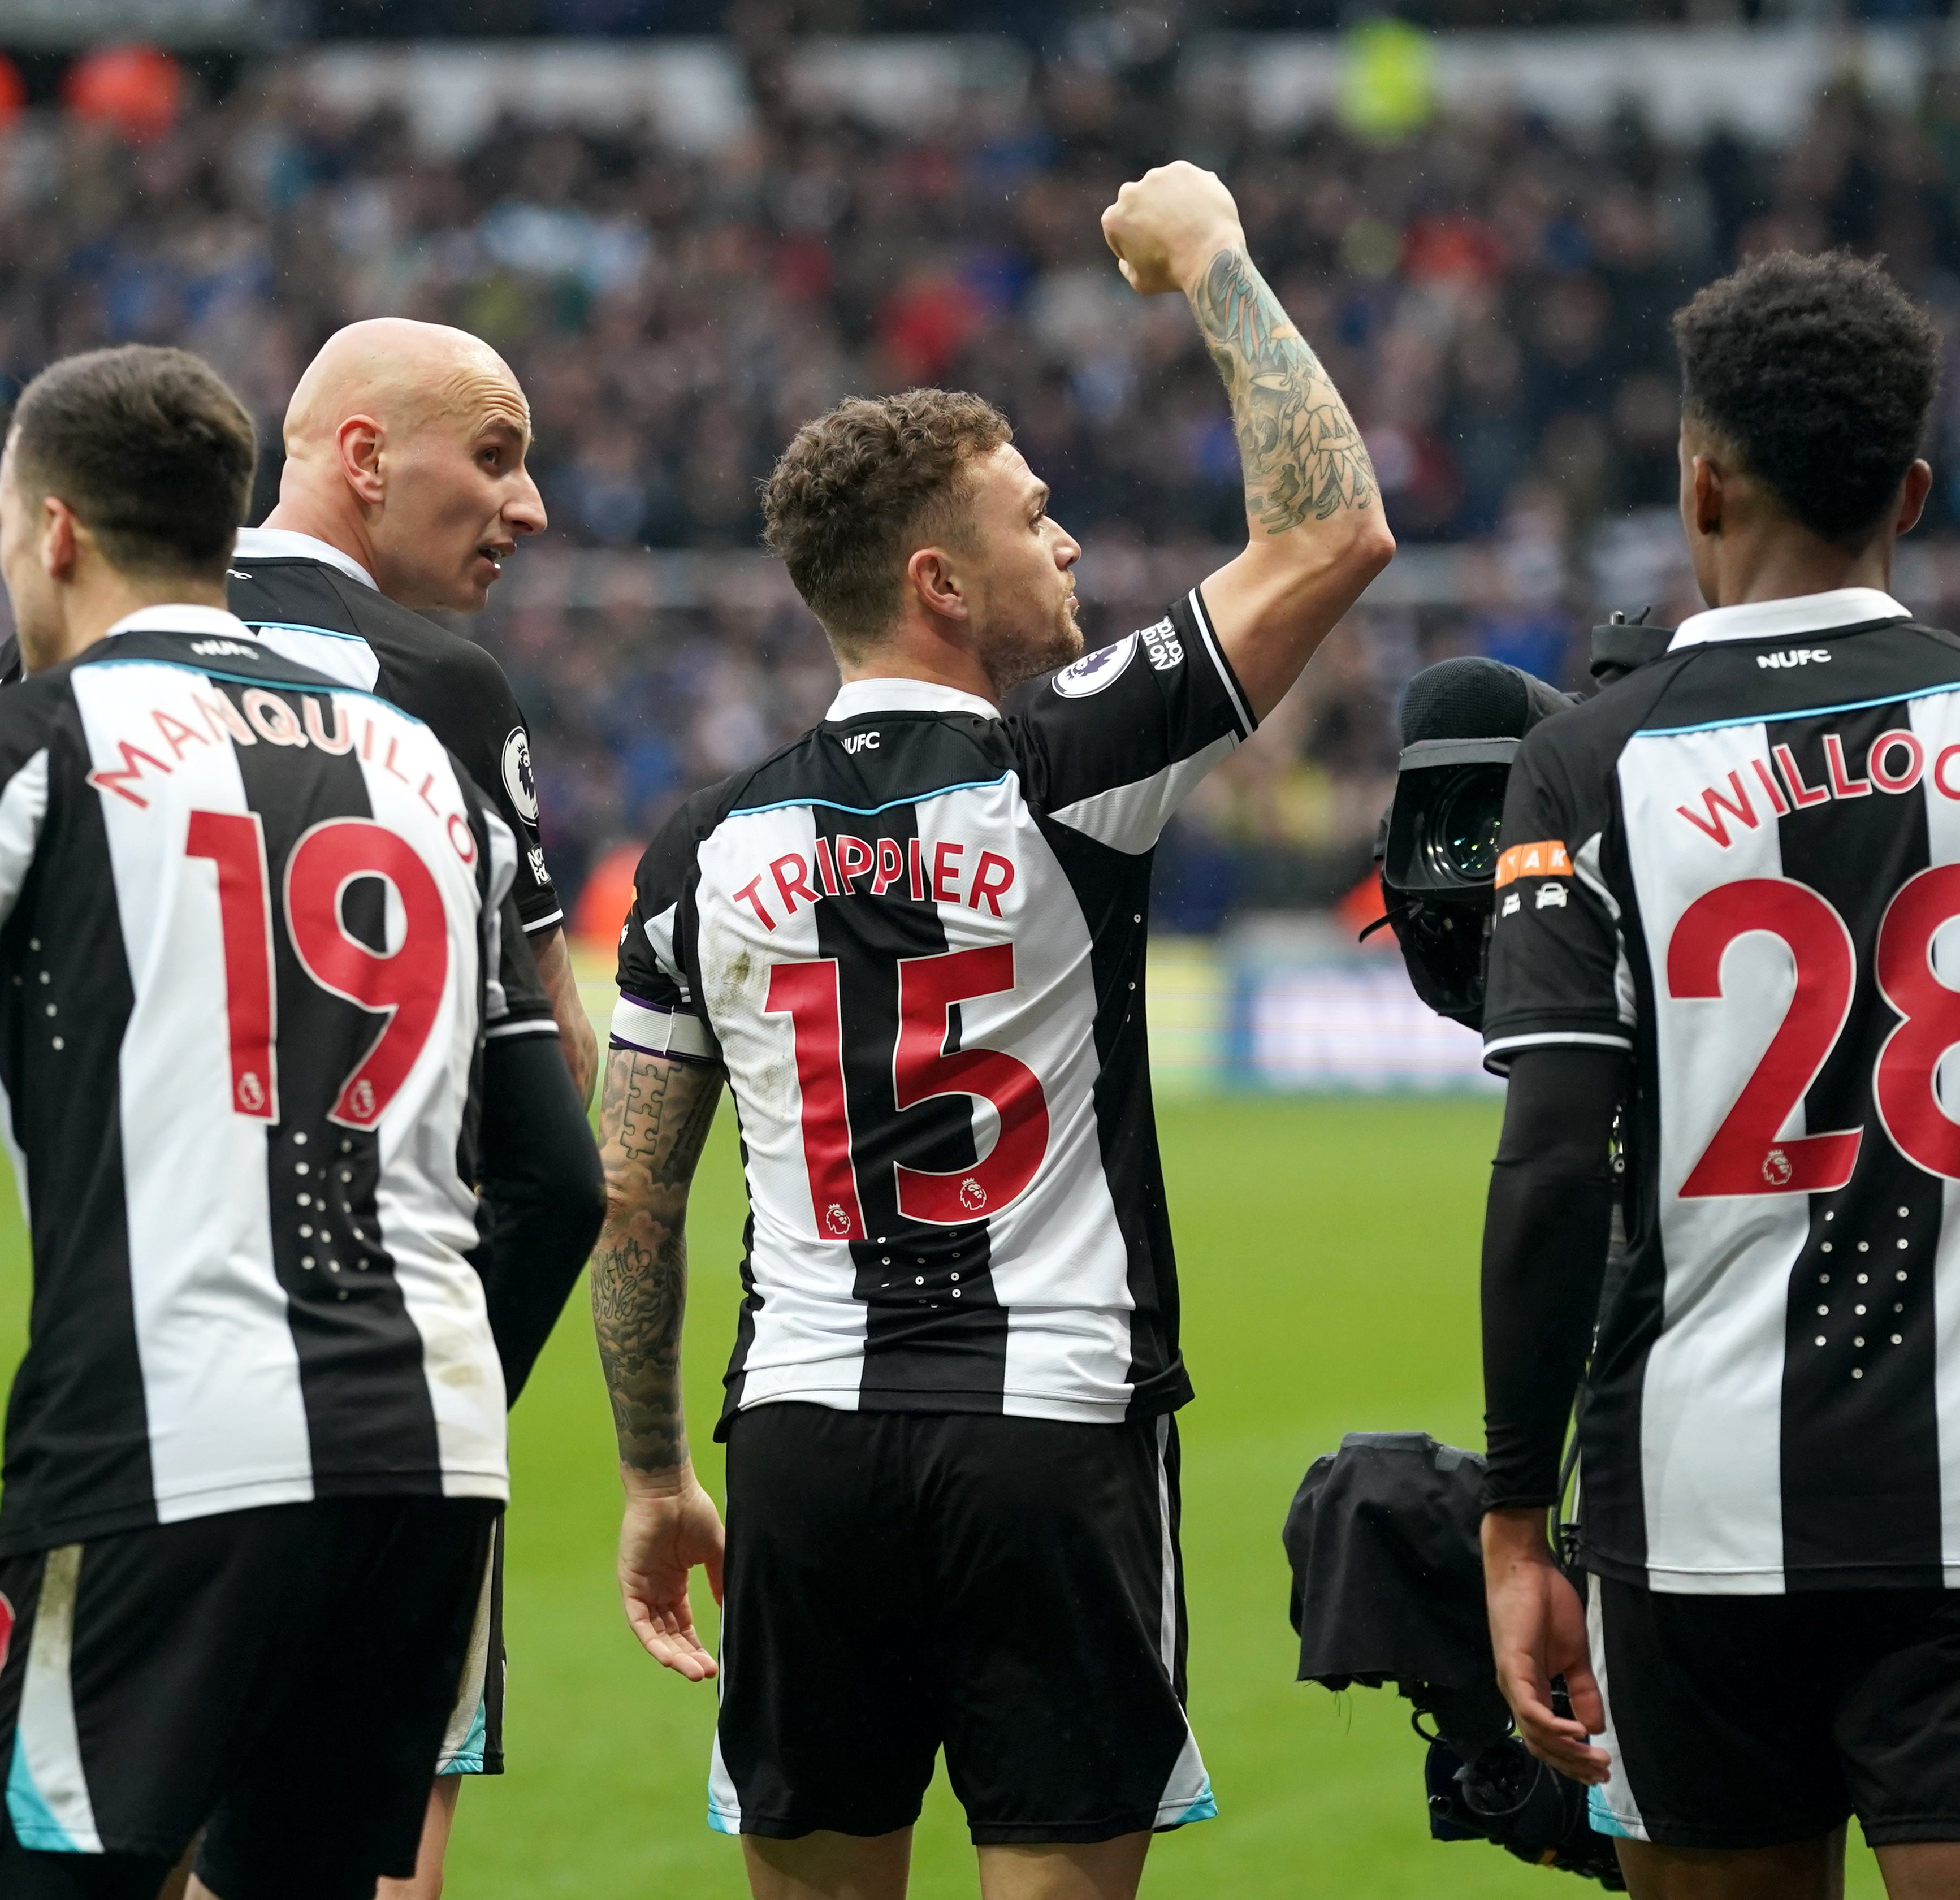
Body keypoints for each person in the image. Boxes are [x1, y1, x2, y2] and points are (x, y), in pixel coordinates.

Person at [0, 344, 558, 1900]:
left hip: (166, 1437)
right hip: (432, 1461)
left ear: (52, 532)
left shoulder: (44, 732)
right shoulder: (422, 754)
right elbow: (554, 1171)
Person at [586, 161, 1390, 1900]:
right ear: (942, 584)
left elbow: (634, 1203)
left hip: (798, 1441)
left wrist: (653, 1469)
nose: (1072, 540)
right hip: (1052, 1436)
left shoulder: (698, 849)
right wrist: (1213, 260)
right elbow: (1330, 528)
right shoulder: (1071, 767)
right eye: (1036, 518)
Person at [1476, 251, 1960, 1900]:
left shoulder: (1589, 763)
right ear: (1914, 488)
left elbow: (1541, 1170)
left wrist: (1518, 1522)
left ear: (1699, 481)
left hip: (1696, 1511)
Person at [0, 320, 606, 1899]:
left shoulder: (61, 651)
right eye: (498, 456)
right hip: (399, 1394)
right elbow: (556, 1089)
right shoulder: (441, 691)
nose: (529, 509)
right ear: (362, 456)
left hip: (149, 1377)